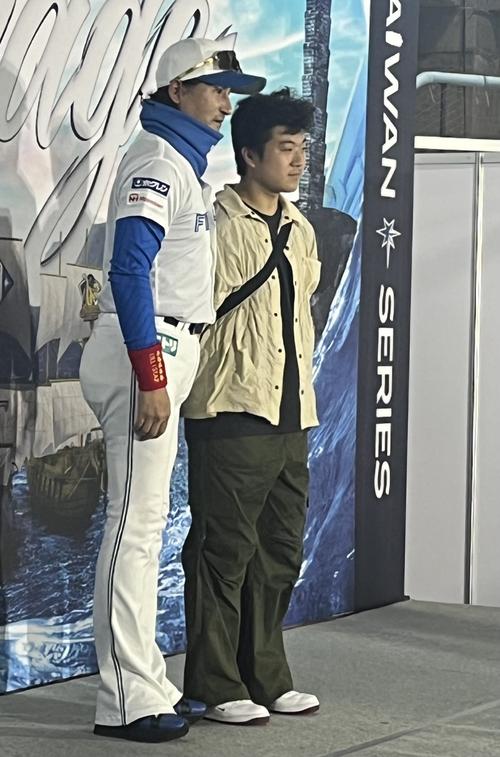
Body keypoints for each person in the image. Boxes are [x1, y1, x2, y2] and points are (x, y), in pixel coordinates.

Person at [79, 37, 265, 743]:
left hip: (162, 342)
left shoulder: (177, 160)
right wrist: (152, 375)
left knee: (145, 524)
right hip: (147, 346)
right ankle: (125, 698)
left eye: (230, 92)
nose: (226, 104)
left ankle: (146, 681)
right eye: (216, 90)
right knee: (134, 525)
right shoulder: (158, 161)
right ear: (176, 91)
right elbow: (129, 271)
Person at [182, 88, 322, 725]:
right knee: (223, 552)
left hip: (293, 414)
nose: (297, 160)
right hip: (230, 408)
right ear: (249, 155)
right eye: (286, 148)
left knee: (280, 551)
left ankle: (267, 676)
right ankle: (215, 685)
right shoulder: (212, 224)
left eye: (302, 148)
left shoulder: (301, 228)